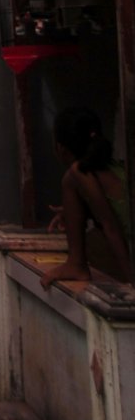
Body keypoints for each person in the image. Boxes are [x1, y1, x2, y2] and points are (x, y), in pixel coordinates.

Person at [41, 106, 131, 289]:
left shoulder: (77, 173)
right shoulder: (116, 166)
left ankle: (75, 263)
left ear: (60, 148)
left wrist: (132, 279)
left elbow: (111, 226)